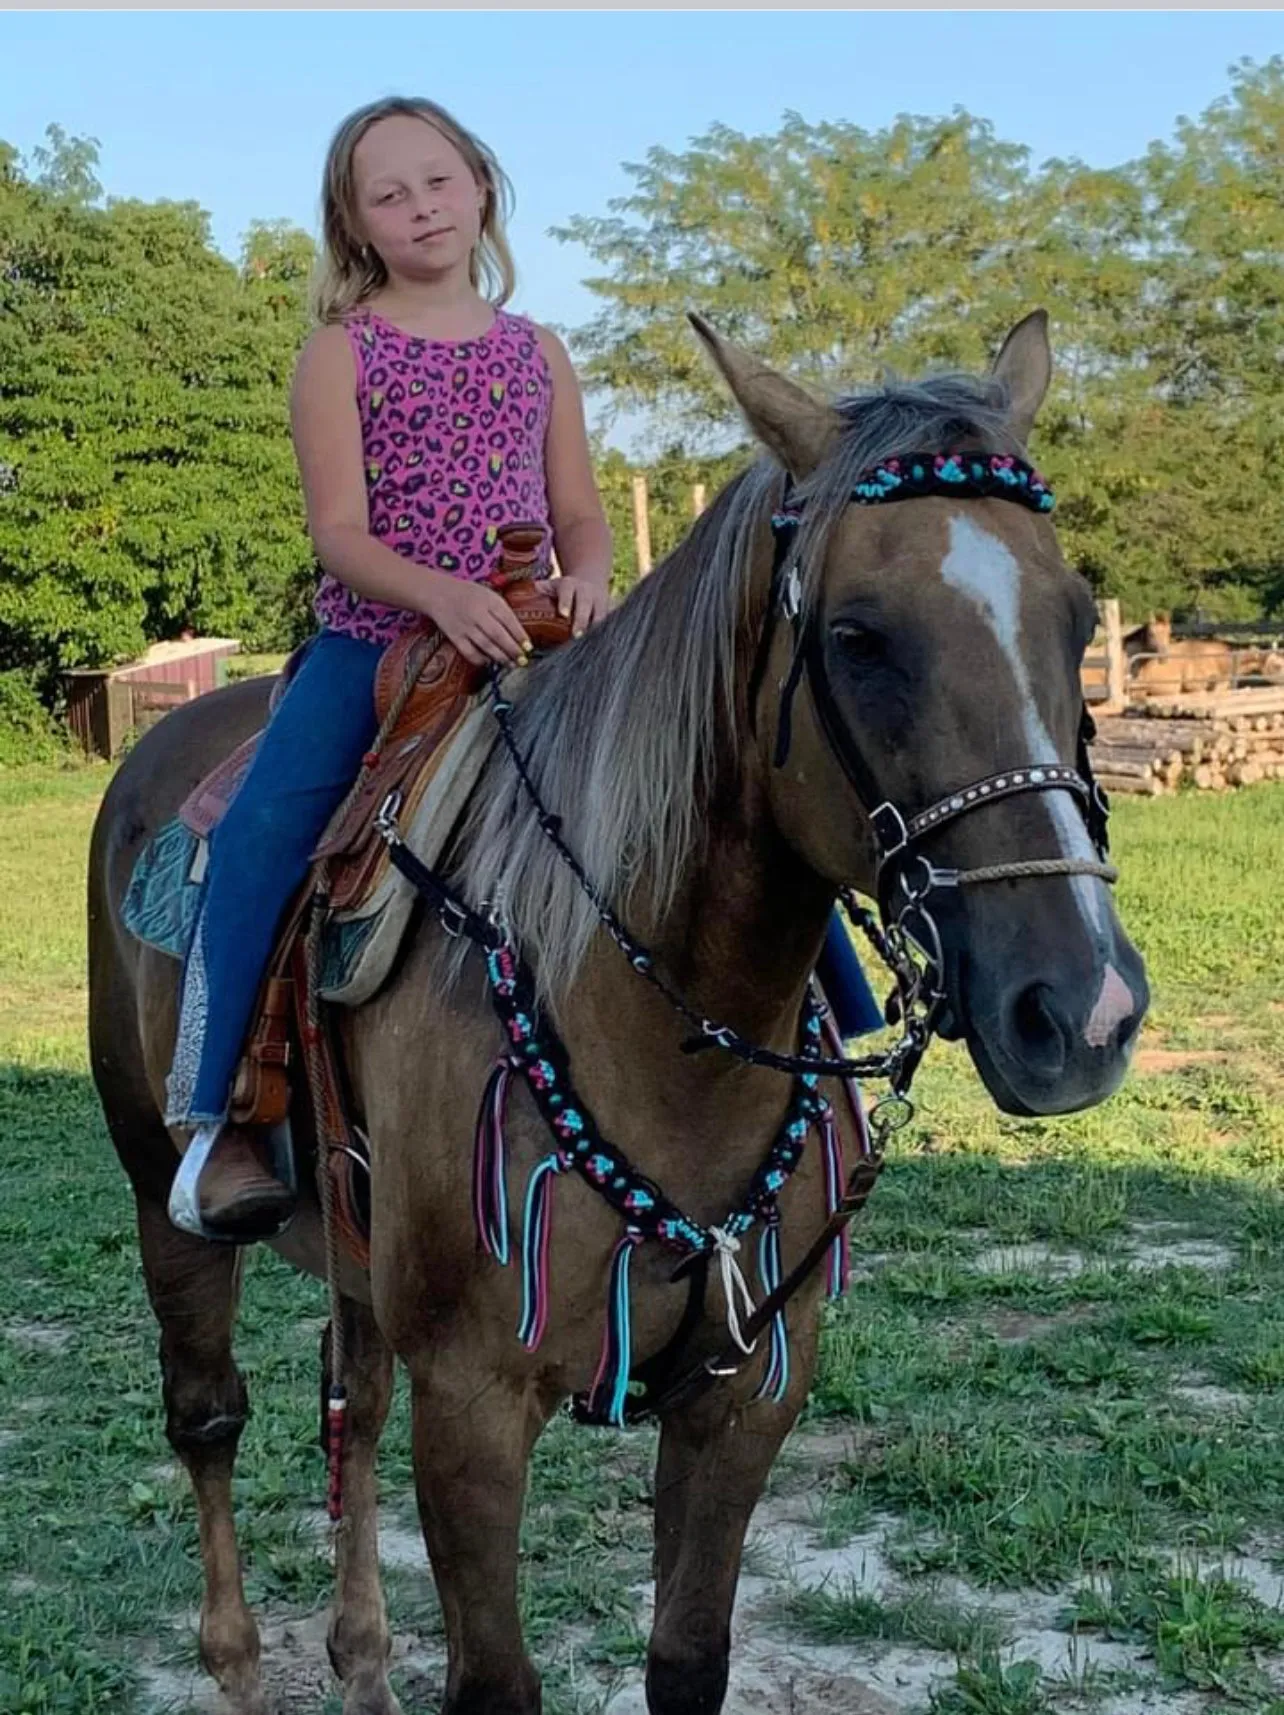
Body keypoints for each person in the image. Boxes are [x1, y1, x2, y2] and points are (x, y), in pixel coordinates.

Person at [165, 95, 613, 1242]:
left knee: (700, 767)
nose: (421, 206)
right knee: (263, 830)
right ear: (355, 226)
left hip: (530, 640)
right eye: (390, 194)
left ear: (481, 188)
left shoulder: (538, 351)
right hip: (379, 647)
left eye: (438, 180)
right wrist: (442, 594)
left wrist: (591, 577)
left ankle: (825, 1044)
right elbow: (341, 532)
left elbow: (577, 511)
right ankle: (225, 1115)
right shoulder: (340, 351)